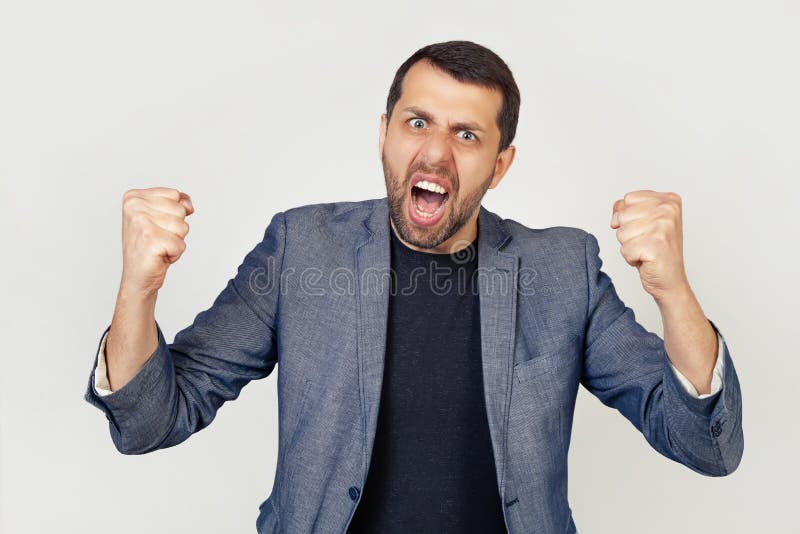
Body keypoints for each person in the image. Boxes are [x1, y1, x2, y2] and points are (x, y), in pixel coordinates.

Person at [84, 40, 743, 534]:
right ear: (384, 133)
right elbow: (150, 422)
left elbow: (704, 444)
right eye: (417, 122)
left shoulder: (561, 269)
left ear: (501, 164)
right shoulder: (301, 248)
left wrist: (673, 292)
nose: (435, 154)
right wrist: (137, 291)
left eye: (466, 134)